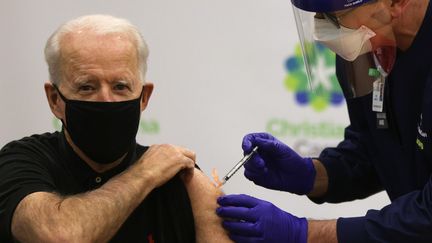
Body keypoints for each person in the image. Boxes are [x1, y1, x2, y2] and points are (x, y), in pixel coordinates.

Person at [0, 14, 231, 243]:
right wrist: (144, 174)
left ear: (144, 97)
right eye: (87, 87)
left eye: (120, 86)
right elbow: (58, 236)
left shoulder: (179, 180)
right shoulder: (19, 162)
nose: (106, 101)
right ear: (54, 99)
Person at [216, 0, 432, 242]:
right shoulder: (365, 49)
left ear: (396, 3)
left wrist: (305, 233)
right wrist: (314, 175)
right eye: (316, 16)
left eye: (332, 16)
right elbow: (376, 149)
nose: (321, 30)